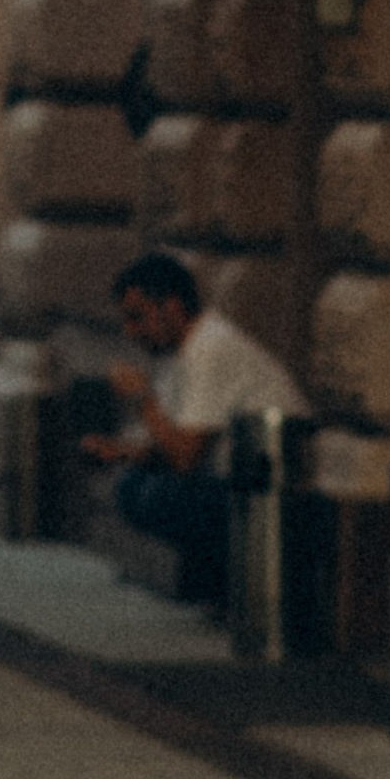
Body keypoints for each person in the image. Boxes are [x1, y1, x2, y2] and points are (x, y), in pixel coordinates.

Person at [82, 248, 308, 607]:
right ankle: (218, 585)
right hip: (229, 477)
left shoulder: (210, 347)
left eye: (137, 318)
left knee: (154, 494)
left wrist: (143, 397)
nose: (130, 332)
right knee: (133, 484)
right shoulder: (180, 351)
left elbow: (185, 456)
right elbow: (173, 440)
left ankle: (228, 586)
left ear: (172, 308)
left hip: (266, 490)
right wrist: (122, 451)